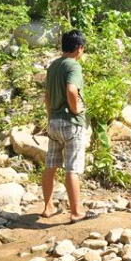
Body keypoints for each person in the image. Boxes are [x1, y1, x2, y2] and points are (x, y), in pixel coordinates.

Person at [41, 29, 98, 223]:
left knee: (51, 165)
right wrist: (76, 110)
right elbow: (72, 90)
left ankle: (48, 207)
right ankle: (76, 212)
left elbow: (47, 96)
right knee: (72, 167)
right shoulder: (73, 66)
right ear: (79, 48)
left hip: (54, 122)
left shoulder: (53, 66)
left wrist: (51, 116)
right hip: (71, 124)